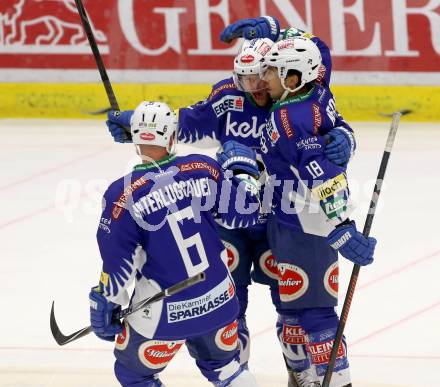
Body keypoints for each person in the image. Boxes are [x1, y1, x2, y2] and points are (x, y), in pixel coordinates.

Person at [106, 18, 355, 386]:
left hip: (281, 220)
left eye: (261, 77)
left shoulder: (290, 97)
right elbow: (185, 123)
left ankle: (301, 374)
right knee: (229, 305)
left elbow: (322, 86)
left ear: (275, 72)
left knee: (293, 305)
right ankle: (238, 376)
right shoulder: (227, 97)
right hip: (231, 217)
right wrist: (139, 123)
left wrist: (345, 136)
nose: (255, 87)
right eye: (245, 79)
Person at [89, 101, 263, 386]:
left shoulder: (121, 196)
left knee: (134, 374)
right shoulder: (203, 167)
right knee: (226, 369)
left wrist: (105, 303)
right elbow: (244, 214)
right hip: (218, 298)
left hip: (164, 312)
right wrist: (246, 176)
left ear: (135, 140)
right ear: (172, 137)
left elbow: (117, 266)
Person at [257, 37, 377, 387]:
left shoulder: (287, 117)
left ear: (293, 78)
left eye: (273, 72)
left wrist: (341, 225)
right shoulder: (318, 92)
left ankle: (334, 382)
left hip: (306, 227)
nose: (265, 78)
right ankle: (305, 378)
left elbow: (321, 175)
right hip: (284, 220)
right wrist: (346, 136)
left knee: (315, 314)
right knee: (291, 311)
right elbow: (319, 52)